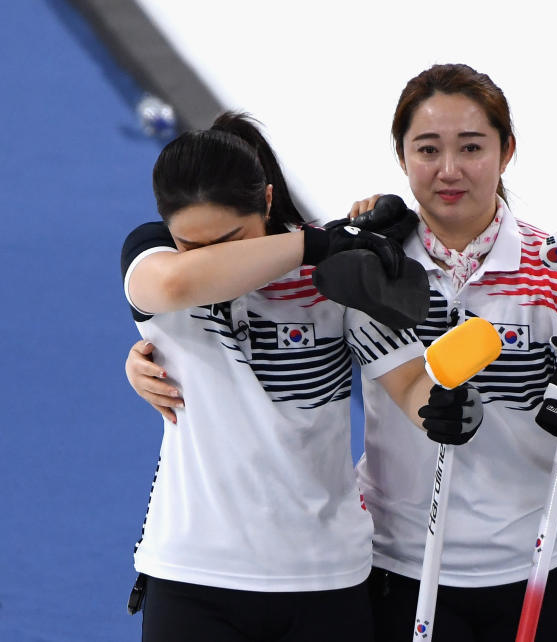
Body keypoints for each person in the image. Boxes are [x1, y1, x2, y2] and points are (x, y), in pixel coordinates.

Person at [127, 65, 557, 642]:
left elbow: (418, 385)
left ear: (506, 150)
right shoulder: (347, 265)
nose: (449, 169)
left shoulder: (553, 273)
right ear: (401, 155)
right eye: (428, 148)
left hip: (514, 563)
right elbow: (176, 288)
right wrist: (144, 358)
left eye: (471, 147)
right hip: (382, 566)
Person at [121, 111, 483, 642]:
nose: (214, 260)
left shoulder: (332, 279)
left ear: (266, 202)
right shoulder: (155, 259)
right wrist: (316, 243)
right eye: (194, 246)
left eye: (231, 238)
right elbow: (174, 286)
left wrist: (444, 409)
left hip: (324, 577)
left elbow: (407, 382)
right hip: (192, 574)